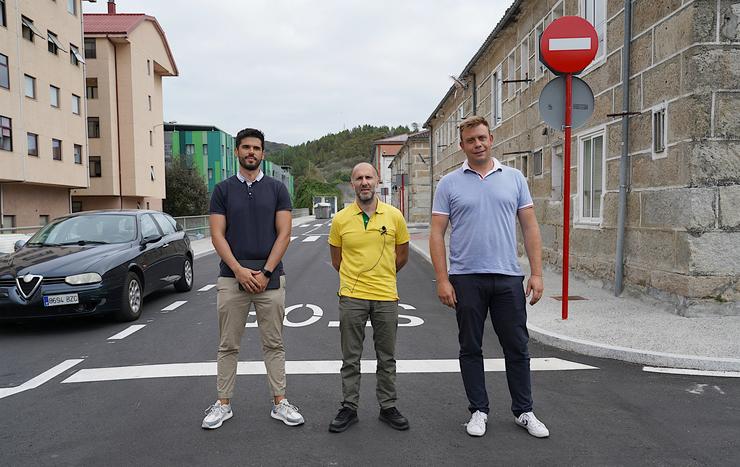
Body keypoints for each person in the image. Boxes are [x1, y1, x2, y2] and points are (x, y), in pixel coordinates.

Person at [429, 116, 549, 439]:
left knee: (517, 347)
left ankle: (524, 411)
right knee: (470, 346)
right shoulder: (448, 184)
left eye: (482, 138)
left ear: (491, 138)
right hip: (466, 278)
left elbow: (530, 226)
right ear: (462, 145)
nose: (478, 144)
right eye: (471, 140)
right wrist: (442, 279)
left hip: (508, 277)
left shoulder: (514, 178)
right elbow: (437, 233)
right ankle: (478, 411)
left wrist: (536, 273)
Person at [202, 127, 304, 429]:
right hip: (231, 277)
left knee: (274, 344)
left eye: (256, 148)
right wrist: (238, 270)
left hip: (270, 279)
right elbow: (217, 234)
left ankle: (280, 402)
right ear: (237, 152)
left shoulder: (277, 189)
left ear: (262, 153)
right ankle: (223, 404)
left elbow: (285, 233)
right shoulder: (222, 190)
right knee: (228, 345)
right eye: (245, 147)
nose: (250, 152)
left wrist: (267, 272)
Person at [327, 162, 410, 433]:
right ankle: (349, 407)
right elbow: (336, 260)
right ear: (352, 184)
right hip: (352, 297)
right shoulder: (340, 219)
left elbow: (402, 256)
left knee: (387, 357)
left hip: (386, 296)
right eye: (358, 178)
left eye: (368, 177)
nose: (364, 182)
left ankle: (388, 406)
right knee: (350, 357)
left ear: (377, 181)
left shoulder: (395, 216)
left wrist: (383, 274)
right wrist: (356, 279)